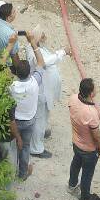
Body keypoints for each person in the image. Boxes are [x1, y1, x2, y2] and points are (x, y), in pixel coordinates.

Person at [8, 34, 46, 180]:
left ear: (16, 73)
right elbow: (41, 63)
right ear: (29, 72)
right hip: (29, 121)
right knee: (25, 147)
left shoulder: (12, 87)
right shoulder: (34, 82)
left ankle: (10, 172)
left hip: (14, 122)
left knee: (13, 146)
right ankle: (23, 173)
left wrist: (10, 45)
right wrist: (32, 43)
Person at [26, 27, 66, 158]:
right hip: (41, 92)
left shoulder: (39, 48)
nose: (44, 37)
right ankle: (36, 148)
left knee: (43, 118)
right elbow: (44, 62)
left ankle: (40, 136)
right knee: (39, 120)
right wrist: (62, 52)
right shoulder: (33, 51)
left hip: (46, 91)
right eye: (42, 35)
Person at [68, 78, 100, 200]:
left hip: (76, 142)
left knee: (76, 163)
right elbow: (97, 136)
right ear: (91, 93)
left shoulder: (72, 98)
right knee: (87, 175)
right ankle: (84, 199)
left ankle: (72, 185)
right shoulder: (91, 113)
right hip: (89, 149)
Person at [0, 100, 20, 175]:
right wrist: (18, 138)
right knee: (10, 167)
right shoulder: (9, 102)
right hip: (7, 138)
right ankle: (8, 186)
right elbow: (12, 123)